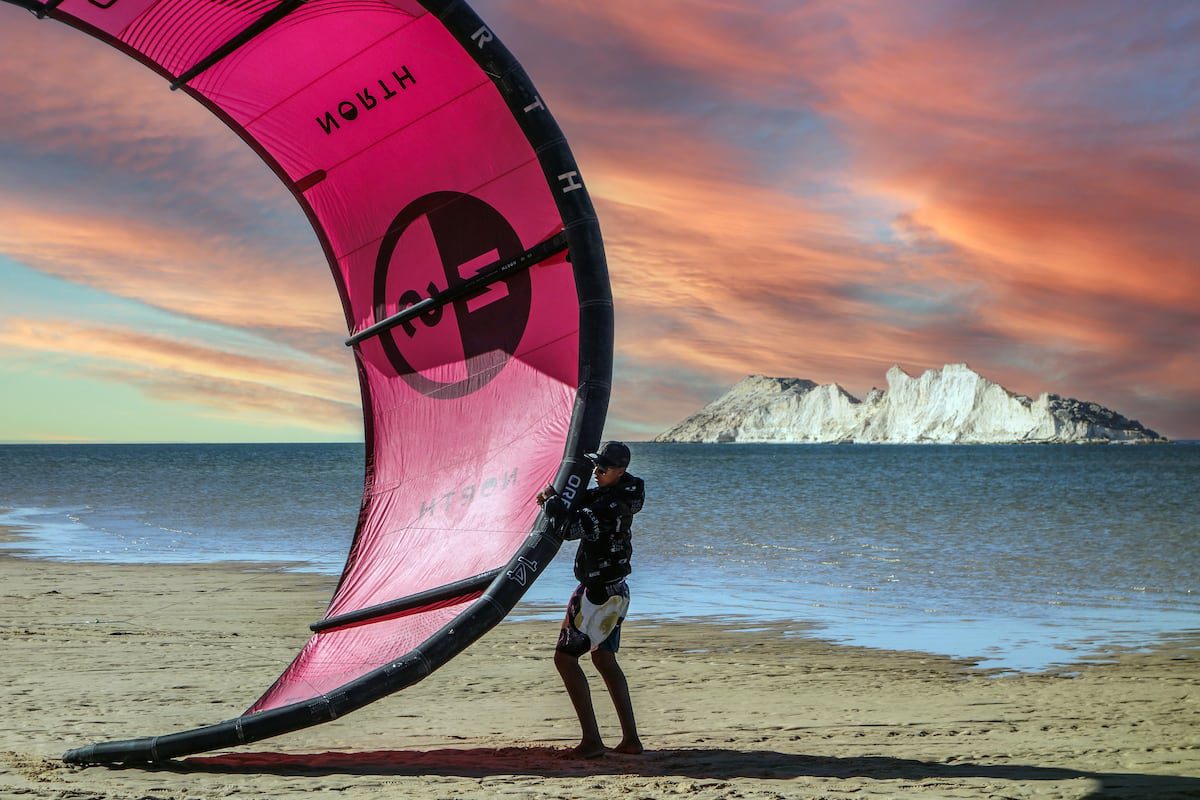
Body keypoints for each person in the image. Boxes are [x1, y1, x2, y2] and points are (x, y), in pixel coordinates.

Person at [537, 440, 645, 758]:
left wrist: (551, 504)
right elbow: (585, 501)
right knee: (603, 659)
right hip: (617, 590)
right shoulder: (617, 495)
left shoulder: (609, 507)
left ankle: (592, 742)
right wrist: (563, 493)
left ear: (620, 471)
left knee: (565, 658)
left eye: (603, 468)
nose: (597, 472)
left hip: (597, 595)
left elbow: (569, 529)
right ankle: (630, 740)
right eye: (596, 467)